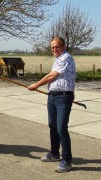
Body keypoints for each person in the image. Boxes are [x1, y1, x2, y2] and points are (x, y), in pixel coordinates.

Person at [28, 37, 76, 173]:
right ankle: (55, 153)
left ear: (64, 46)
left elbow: (52, 76)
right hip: (53, 96)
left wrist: (36, 85)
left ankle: (67, 161)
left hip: (62, 98)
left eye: (57, 46)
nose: (54, 49)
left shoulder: (65, 58)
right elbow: (68, 78)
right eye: (52, 48)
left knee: (61, 129)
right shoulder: (58, 59)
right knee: (53, 126)